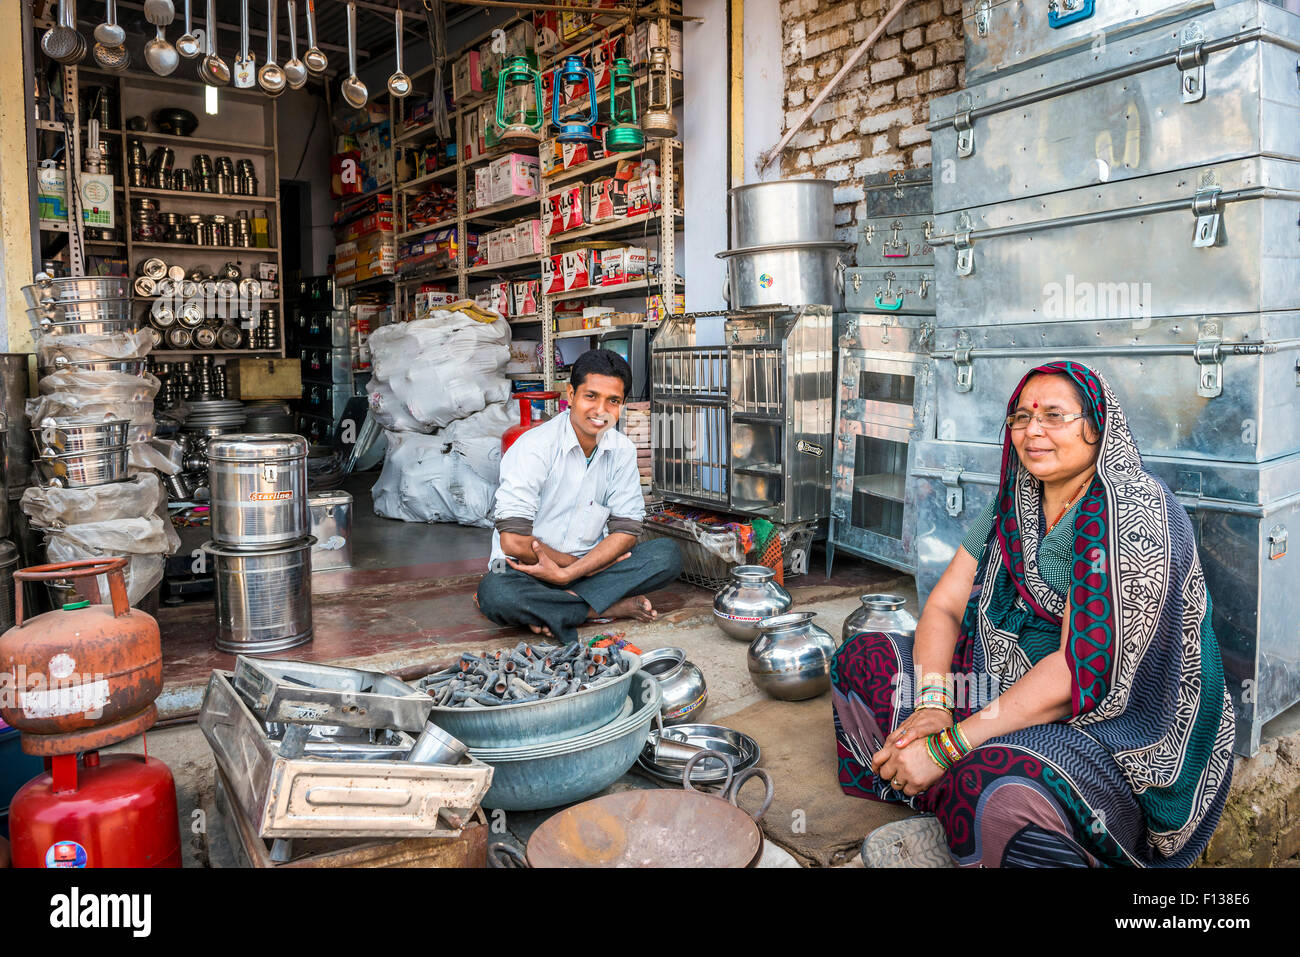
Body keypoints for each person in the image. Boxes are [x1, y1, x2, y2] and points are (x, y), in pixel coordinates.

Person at [833, 360, 1235, 867]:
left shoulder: (1135, 514)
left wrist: (946, 747)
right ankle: (947, 794)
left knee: (993, 786)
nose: (1033, 431)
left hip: (1100, 729)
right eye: (1021, 416)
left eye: (1054, 416)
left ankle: (955, 790)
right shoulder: (1012, 503)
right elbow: (945, 603)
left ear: (1098, 425)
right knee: (862, 659)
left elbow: (1075, 673)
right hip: (996, 692)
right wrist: (933, 705)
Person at [475, 348, 682, 643]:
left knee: (667, 555)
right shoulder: (534, 447)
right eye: (591, 396)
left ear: (622, 405)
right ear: (570, 396)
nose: (600, 411)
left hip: (589, 567)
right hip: (526, 569)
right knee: (494, 592)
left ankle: (556, 610)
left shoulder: (622, 451)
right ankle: (599, 609)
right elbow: (514, 542)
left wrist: (572, 573)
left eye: (613, 401)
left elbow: (626, 532)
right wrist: (571, 569)